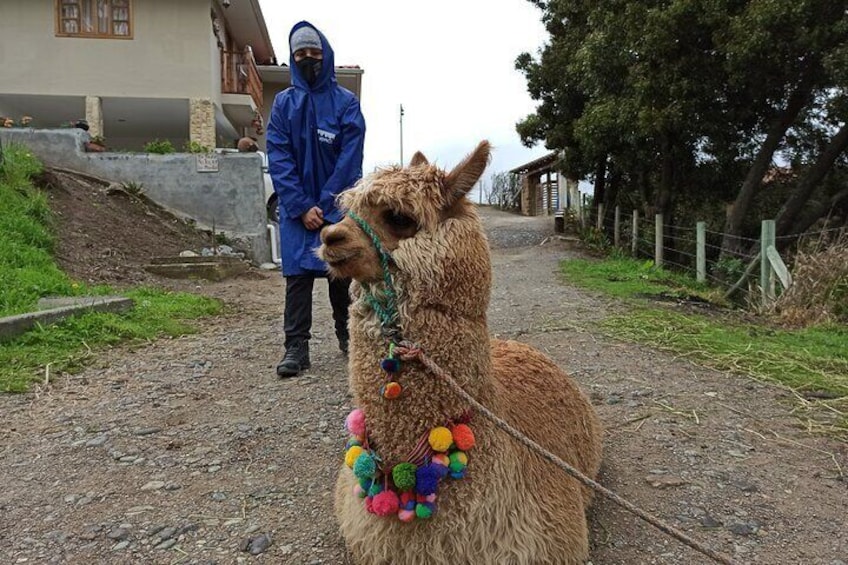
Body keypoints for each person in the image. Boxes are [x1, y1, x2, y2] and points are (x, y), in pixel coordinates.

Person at [266, 21, 366, 378]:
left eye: (315, 53)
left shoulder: (345, 103)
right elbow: (278, 156)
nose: (309, 59)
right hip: (298, 211)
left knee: (340, 272)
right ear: (293, 58)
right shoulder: (283, 105)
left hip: (333, 208)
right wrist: (299, 205)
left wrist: (326, 205)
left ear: (325, 55)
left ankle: (348, 337)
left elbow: (350, 159)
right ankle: (296, 348)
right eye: (301, 54)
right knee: (298, 279)